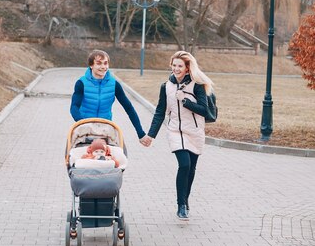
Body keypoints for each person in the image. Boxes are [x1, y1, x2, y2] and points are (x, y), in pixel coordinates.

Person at [140, 51, 214, 220]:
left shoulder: (197, 85)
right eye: (174, 65)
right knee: (185, 165)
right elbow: (160, 112)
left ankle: (185, 199)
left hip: (195, 132)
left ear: (187, 68)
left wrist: (186, 100)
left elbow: (204, 110)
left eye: (180, 66)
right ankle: (181, 204)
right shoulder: (166, 86)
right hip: (175, 131)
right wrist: (151, 135)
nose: (176, 68)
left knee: (192, 170)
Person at [70, 49, 146, 140]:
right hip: (85, 128)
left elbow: (129, 108)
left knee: (119, 151)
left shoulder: (114, 85)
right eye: (99, 63)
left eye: (105, 63)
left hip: (105, 129)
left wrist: (141, 134)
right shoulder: (81, 83)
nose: (103, 67)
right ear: (91, 65)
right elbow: (74, 107)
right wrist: (82, 123)